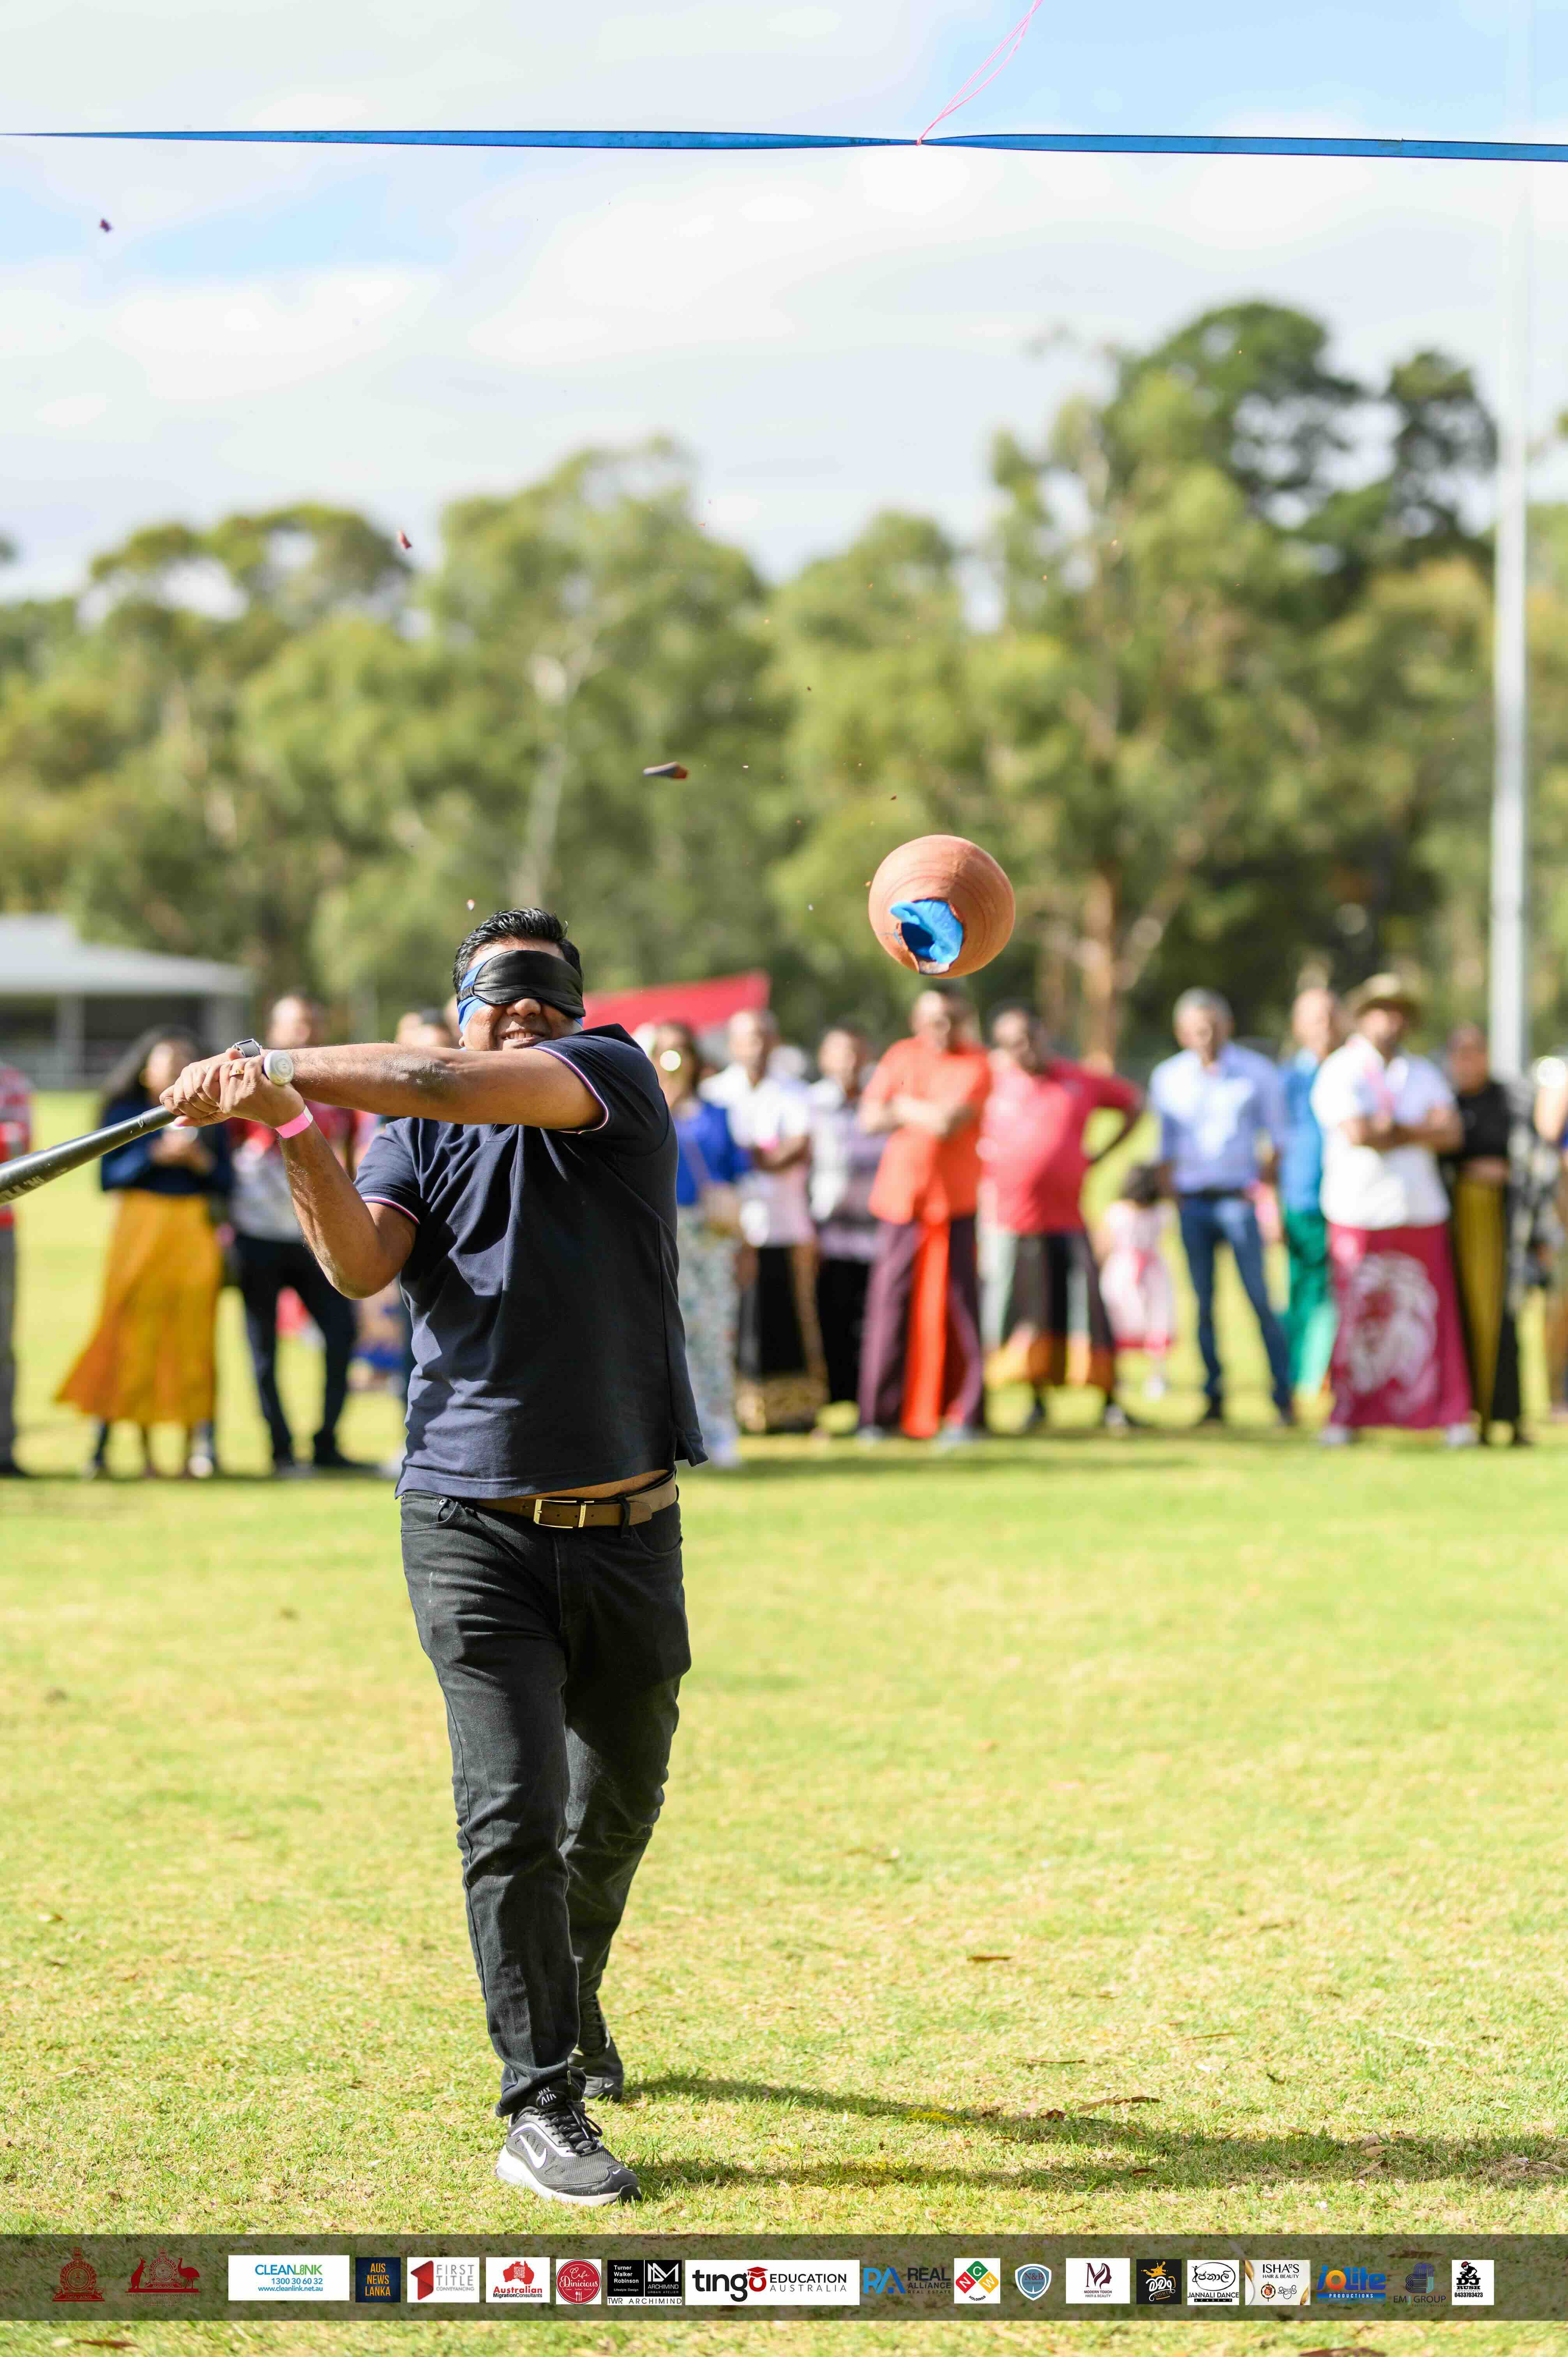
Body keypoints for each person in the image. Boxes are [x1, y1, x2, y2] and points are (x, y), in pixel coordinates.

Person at [161, 905, 702, 2209]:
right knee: (510, 1812)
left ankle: (569, 1993)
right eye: (498, 999)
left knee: (616, 1802)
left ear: (577, 1015)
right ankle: (540, 2098)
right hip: (467, 1522)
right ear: (461, 1006)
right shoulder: (411, 1132)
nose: (525, 1017)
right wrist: (291, 1128)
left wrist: (278, 1063)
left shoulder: (613, 1076)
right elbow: (360, 1265)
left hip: (628, 1524)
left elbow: (439, 1076)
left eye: (546, 1000)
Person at [56, 1029, 231, 1478]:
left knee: (193, 1336)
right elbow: (108, 1177)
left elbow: (227, 1183)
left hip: (192, 1230)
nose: (172, 1070)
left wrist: (199, 1164)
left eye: (182, 1062)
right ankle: (132, 1449)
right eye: (164, 1062)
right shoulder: (126, 1113)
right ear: (144, 1071)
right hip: (140, 1228)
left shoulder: (213, 1114)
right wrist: (154, 1156)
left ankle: (196, 1449)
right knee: (132, 1332)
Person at [1311, 975, 1471, 1444]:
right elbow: (1359, 1132)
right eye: (1381, 1010)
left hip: (1419, 1210)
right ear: (1363, 1016)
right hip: (1358, 1211)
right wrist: (1417, 1130)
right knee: (1356, 1316)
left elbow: (1450, 1134)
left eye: (1398, 1011)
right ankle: (1346, 1415)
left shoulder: (1422, 1072)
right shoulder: (1340, 1070)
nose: (1390, 1020)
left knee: (1430, 1316)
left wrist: (1393, 1130)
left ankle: (1447, 1414)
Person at [979, 1005, 1141, 1429]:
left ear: (1044, 1035)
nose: (1025, 1048)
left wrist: (1099, 1156)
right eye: (1013, 1043)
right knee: (1029, 1316)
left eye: (1030, 1038)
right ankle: (1036, 1400)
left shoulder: (1078, 1080)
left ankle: (1109, 1401)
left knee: (1086, 1312)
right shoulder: (994, 1085)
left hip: (1068, 1220)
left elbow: (1133, 1103)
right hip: (1012, 1222)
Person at [229, 991, 367, 1476]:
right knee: (263, 1348)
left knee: (342, 1336)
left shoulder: (338, 1091)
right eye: (295, 1023)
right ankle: (281, 1450)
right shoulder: (246, 1086)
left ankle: (327, 1443)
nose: (305, 1032)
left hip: (319, 1240)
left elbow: (350, 1159)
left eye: (312, 1023)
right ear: (274, 1029)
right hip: (257, 1236)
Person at [1149, 988, 1295, 1427]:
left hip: (1239, 1201)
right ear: (1182, 1033)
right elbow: (1164, 1149)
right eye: (1197, 1029)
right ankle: (1213, 1396)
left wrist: (1265, 1192)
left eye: (1213, 1027)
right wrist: (1172, 1201)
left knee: (1259, 1299)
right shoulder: (1168, 1077)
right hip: (1193, 1203)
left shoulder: (1256, 1072)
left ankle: (1282, 1395)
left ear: (1227, 1026)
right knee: (1203, 1304)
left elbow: (1277, 1140)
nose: (1206, 1036)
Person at [857, 985, 992, 1444]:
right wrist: (912, 1111)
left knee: (960, 1309)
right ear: (917, 1021)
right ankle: (879, 1416)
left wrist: (901, 1107)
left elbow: (948, 1123)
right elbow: (869, 1118)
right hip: (901, 1202)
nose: (943, 1029)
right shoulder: (901, 1055)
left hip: (954, 1204)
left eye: (953, 1019)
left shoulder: (976, 1063)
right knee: (889, 1308)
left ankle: (964, 1413)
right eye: (934, 1020)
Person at [704, 1008, 825, 1433]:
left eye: (761, 1037)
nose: (755, 1047)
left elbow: (796, 1149)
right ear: (733, 1045)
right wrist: (759, 1154)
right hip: (730, 1228)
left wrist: (746, 1153)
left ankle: (794, 1412)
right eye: (746, 1038)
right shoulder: (715, 1093)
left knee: (788, 1322)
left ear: (774, 1042)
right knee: (734, 1321)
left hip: (785, 1225)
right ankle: (737, 1410)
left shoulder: (795, 1092)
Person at [1443, 1022, 1560, 1445]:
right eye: (1460, 1054)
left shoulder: (1511, 1101)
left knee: (1508, 1322)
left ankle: (1510, 1418)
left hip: (1508, 1228)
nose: (1468, 1062)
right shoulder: (1446, 1104)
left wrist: (1509, 1176)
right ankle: (1467, 1417)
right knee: (1461, 1320)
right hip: (1461, 1228)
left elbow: (1536, 1160)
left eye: (1475, 1052)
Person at [652, 1018, 747, 1470]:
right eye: (664, 1051)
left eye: (680, 1051)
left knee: (714, 1331)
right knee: (667, 1335)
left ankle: (720, 1428)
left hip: (710, 1234)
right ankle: (676, 1432)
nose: (673, 1060)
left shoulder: (716, 1114)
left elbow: (737, 1172)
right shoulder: (646, 1112)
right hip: (661, 1232)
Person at [808, 1026, 885, 1413]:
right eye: (841, 1053)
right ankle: (835, 1399)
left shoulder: (881, 1100)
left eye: (856, 1053)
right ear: (825, 1059)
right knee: (831, 1318)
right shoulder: (812, 1103)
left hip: (876, 1234)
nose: (850, 1062)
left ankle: (870, 1402)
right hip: (829, 1233)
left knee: (872, 1322)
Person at [1278, 985, 1343, 1401]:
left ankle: (1338, 1372)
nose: (1326, 1026)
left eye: (1332, 1016)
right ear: (1298, 1026)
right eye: (1316, 1018)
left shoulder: (1355, 1071)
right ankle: (1303, 1374)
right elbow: (1271, 1146)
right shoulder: (1288, 1079)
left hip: (1352, 1198)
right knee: (1305, 1288)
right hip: (1303, 1198)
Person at [1096, 1162, 1176, 1398]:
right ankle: (1156, 1378)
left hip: (1123, 1271)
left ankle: (1122, 1377)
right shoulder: (1163, 1212)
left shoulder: (1117, 1212)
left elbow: (1103, 1246)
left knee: (1123, 1322)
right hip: (1150, 1272)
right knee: (1153, 1321)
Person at [0, 1055, 33, 1477]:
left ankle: (3, 1449)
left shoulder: (10, 1082)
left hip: (1, 1229)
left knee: (1, 1341)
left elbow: (18, 1149)